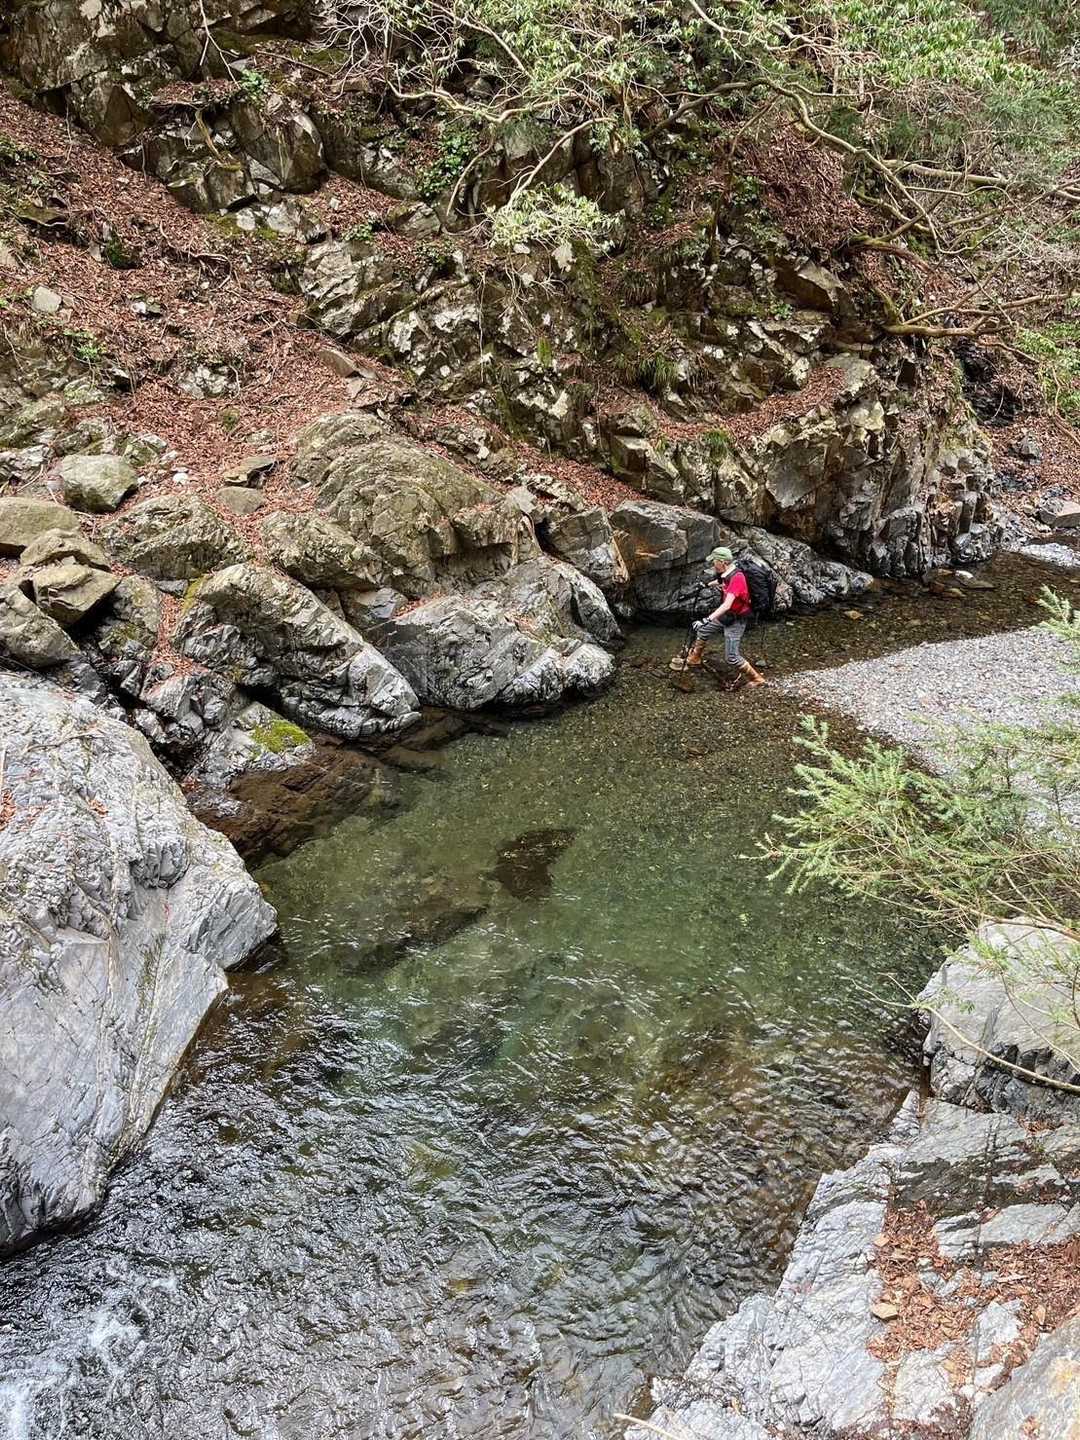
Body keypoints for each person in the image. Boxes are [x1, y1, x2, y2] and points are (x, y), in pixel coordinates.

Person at [669, 546, 766, 688]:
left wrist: (706, 619)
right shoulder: (728, 573)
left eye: (714, 561)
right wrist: (706, 585)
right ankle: (695, 657)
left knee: (731, 657)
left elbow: (727, 605)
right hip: (727, 615)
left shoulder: (737, 578)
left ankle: (757, 679)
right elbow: (722, 582)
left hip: (737, 620)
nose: (713, 564)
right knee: (703, 630)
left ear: (723, 562)